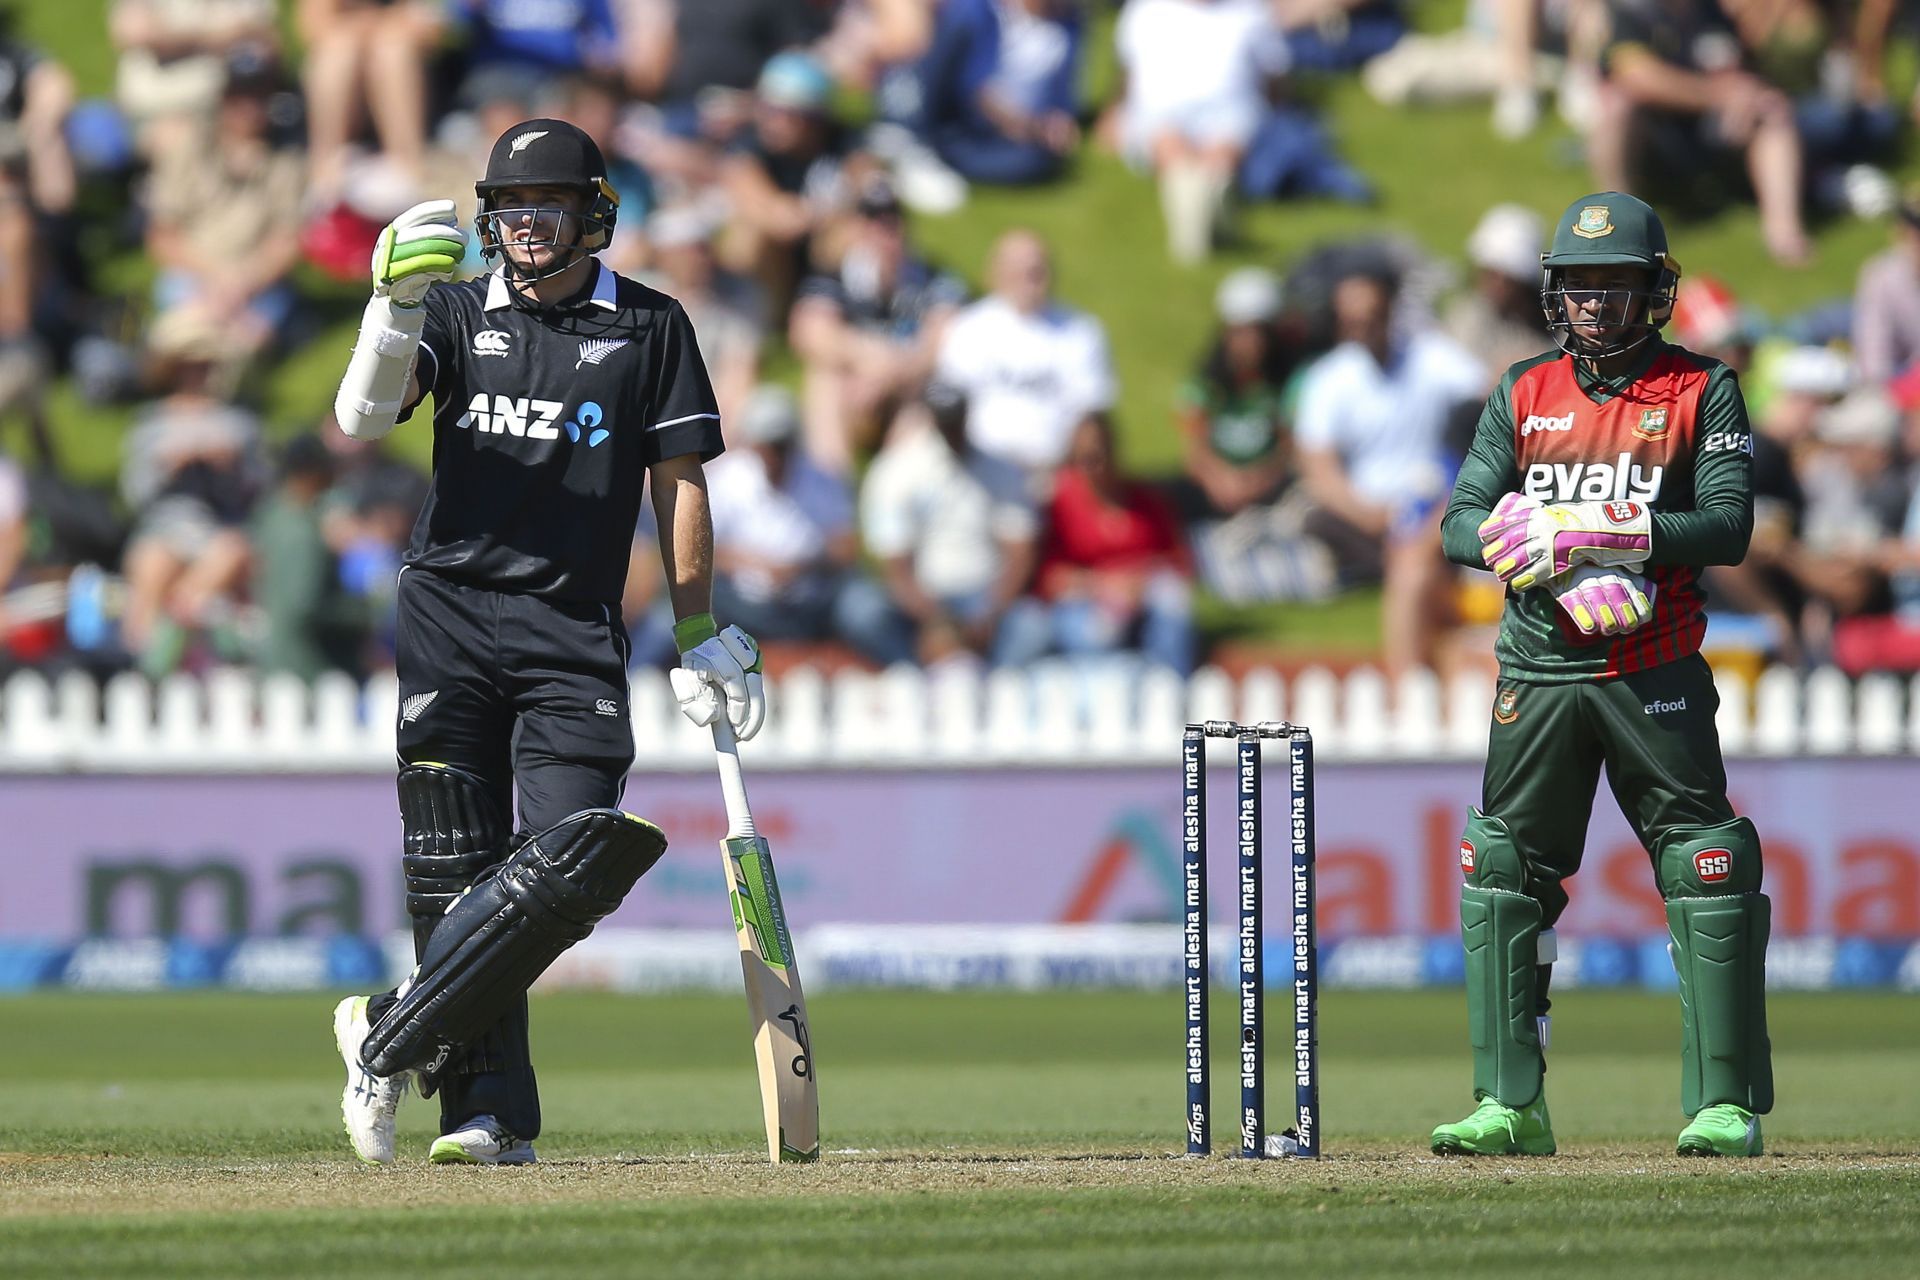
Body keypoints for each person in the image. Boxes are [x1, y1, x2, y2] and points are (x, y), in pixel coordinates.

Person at [326, 118, 766, 1166]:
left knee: (570, 860)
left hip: (571, 629)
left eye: (547, 210)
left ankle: (385, 1029)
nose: (525, 229)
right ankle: (486, 1114)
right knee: (453, 873)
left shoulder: (652, 327)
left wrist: (700, 629)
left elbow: (681, 483)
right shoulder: (452, 307)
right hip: (448, 616)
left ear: (592, 215)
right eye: (511, 211)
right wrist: (388, 312)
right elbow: (360, 418)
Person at [1434, 191, 1771, 1158]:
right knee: (1503, 872)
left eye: (1613, 284)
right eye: (1578, 284)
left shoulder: (1703, 389)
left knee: (1708, 865)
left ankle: (1723, 1104)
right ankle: (1510, 1103)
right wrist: (1512, 544)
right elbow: (1460, 518)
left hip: (1651, 665)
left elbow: (1729, 525)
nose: (1593, 301)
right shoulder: (1524, 390)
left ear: (1653, 291)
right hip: (1537, 671)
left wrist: (1613, 536)